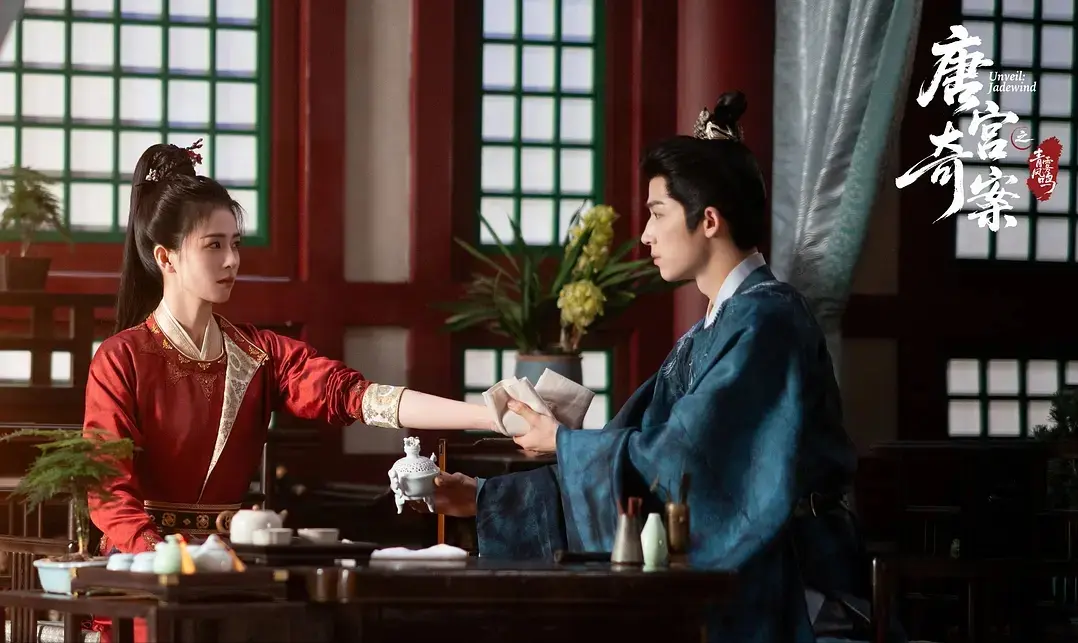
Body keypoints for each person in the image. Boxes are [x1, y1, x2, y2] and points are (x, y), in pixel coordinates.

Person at [427, 92, 871, 643]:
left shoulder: (768, 322)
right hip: (746, 573)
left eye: (658, 214)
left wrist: (563, 442)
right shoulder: (713, 330)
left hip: (794, 581)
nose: (645, 235)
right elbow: (633, 445)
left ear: (709, 220)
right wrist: (483, 497)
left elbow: (682, 460)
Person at [86, 139, 496, 556]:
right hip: (140, 567)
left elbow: (357, 396)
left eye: (235, 244)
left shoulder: (259, 354)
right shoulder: (121, 358)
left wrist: (490, 416)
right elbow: (108, 492)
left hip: (226, 560)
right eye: (214, 245)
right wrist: (165, 559)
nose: (232, 260)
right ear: (166, 257)